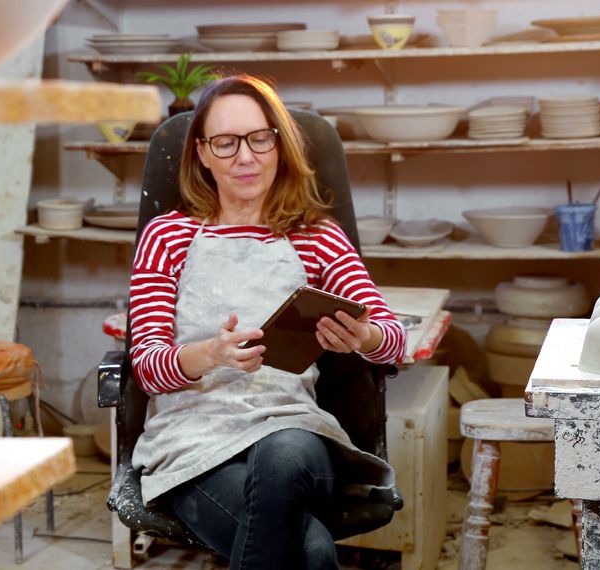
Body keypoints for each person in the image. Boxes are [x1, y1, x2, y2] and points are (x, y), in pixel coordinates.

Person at [126, 74, 408, 570]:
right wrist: (209, 355)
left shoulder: (317, 237)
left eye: (259, 138)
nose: (245, 156)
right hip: (193, 443)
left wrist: (363, 335)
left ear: (279, 145)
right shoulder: (166, 237)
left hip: (292, 433)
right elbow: (147, 367)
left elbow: (393, 340)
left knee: (282, 456)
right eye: (226, 143)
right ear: (203, 153)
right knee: (313, 553)